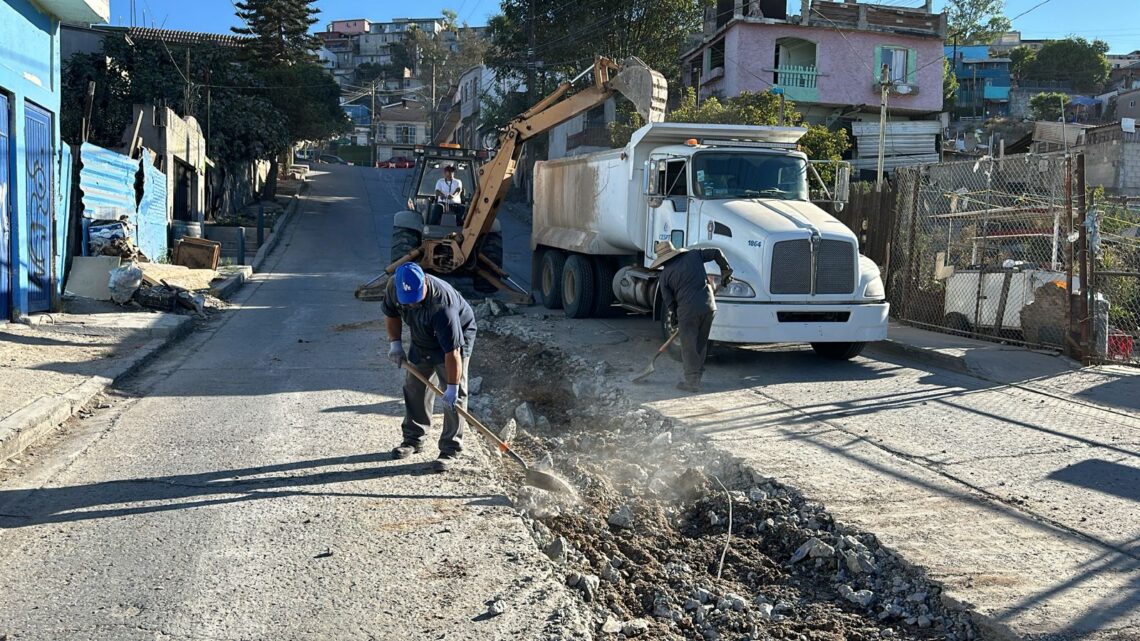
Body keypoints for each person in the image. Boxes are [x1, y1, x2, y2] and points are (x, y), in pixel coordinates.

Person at [381, 262, 477, 472]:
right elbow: (391, 314)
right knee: (414, 386)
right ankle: (413, 439)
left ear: (425, 282)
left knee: (455, 396)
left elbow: (452, 353)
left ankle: (450, 449)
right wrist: (395, 344)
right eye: (408, 300)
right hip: (422, 334)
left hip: (455, 339)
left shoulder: (443, 305)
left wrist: (451, 387)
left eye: (416, 298)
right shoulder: (393, 287)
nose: (412, 304)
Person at [651, 240, 733, 393]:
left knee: (689, 347)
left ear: (662, 260)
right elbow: (716, 252)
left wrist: (675, 316)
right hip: (709, 307)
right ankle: (697, 377)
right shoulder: (694, 255)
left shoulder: (665, 275)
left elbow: (670, 302)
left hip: (688, 312)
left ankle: (691, 382)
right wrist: (725, 270)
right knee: (700, 344)